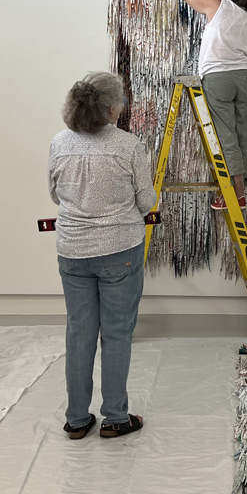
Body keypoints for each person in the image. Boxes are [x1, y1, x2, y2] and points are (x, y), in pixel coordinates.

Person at [48, 72, 157, 438]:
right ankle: (115, 417)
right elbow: (146, 201)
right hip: (119, 252)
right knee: (116, 334)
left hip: (73, 251)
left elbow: (54, 195)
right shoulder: (128, 146)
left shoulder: (60, 142)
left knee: (79, 333)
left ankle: (77, 420)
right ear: (111, 108)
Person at [182, 0, 247, 209]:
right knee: (239, 136)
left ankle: (236, 195)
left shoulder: (217, 6)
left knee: (225, 137)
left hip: (219, 78)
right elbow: (236, 2)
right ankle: (239, 192)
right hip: (244, 78)